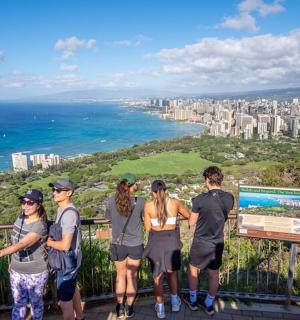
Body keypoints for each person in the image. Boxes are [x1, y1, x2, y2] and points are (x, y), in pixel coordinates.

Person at [184, 166, 234, 316]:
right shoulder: (229, 198)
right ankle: (209, 303)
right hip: (217, 242)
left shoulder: (199, 200)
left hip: (200, 242)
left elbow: (192, 222)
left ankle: (192, 300)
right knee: (214, 274)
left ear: (207, 180)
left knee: (193, 270)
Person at [143, 179, 190, 319]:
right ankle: (175, 302)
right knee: (172, 273)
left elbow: (147, 228)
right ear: (166, 190)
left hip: (156, 243)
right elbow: (188, 215)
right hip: (172, 242)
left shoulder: (148, 206)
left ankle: (160, 307)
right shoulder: (175, 203)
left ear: (153, 192)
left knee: (157, 276)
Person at [0, 189, 48, 320]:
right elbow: (15, 240)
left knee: (35, 304)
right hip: (16, 270)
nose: (25, 205)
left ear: (38, 205)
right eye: (23, 202)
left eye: (30, 202)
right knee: (18, 304)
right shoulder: (20, 218)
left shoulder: (39, 225)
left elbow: (22, 244)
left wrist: (2, 253)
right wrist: (12, 261)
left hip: (35, 273)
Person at [105, 173, 145, 319]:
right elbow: (144, 219)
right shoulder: (140, 201)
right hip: (136, 244)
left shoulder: (111, 201)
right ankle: (130, 307)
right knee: (132, 277)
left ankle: (120, 306)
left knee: (120, 276)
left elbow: (109, 219)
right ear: (133, 185)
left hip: (118, 244)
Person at [46, 178, 84, 320]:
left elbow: (65, 245)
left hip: (67, 264)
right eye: (53, 190)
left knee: (64, 303)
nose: (54, 193)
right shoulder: (61, 209)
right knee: (73, 290)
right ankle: (80, 317)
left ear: (69, 193)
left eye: (58, 190)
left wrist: (48, 243)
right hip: (67, 261)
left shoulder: (68, 214)